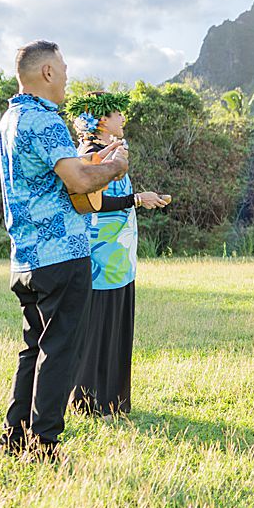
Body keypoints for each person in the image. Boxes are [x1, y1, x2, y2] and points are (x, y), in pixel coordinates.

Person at [0, 41, 129, 463]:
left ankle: (14, 437)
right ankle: (45, 445)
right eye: (65, 68)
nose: (68, 76)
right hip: (61, 253)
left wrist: (97, 159)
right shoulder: (46, 119)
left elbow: (53, 175)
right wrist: (116, 167)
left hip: (25, 256)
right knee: (59, 350)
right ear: (48, 72)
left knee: (33, 347)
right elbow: (77, 182)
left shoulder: (11, 118)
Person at [64, 91, 169, 417]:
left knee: (115, 324)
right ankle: (90, 402)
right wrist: (137, 199)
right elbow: (92, 204)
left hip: (118, 255)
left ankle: (112, 400)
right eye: (118, 114)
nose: (123, 119)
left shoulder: (111, 153)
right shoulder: (89, 155)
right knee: (99, 327)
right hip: (101, 256)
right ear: (102, 120)